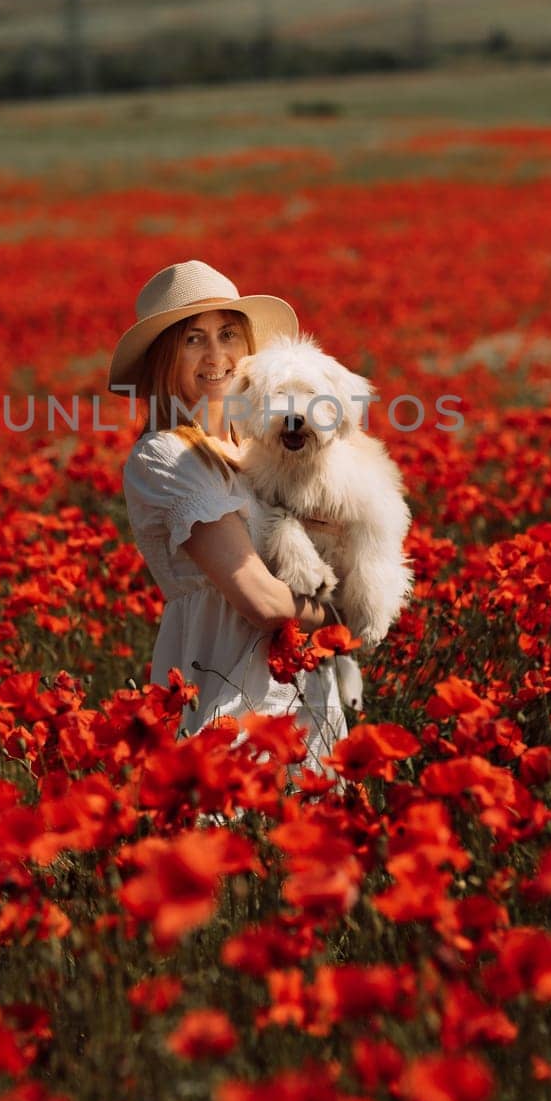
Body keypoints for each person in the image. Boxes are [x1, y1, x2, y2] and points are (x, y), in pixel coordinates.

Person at [109, 260, 356, 777]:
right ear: (163, 359)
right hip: (231, 696)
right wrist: (349, 617)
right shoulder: (166, 455)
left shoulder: (267, 449)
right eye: (193, 340)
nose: (217, 356)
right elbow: (263, 603)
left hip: (308, 696)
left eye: (228, 334)